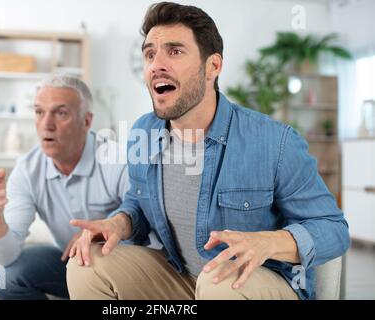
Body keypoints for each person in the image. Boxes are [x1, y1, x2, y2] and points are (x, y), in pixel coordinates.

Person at [65, 2, 350, 300]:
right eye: (150, 54)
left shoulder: (274, 142)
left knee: (218, 283)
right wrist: (118, 223)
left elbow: (333, 229)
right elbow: (138, 202)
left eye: (174, 51)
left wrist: (269, 242)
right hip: (183, 278)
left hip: (254, 283)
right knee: (85, 263)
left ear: (213, 66)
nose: (156, 64)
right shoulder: (143, 132)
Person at [0, 74, 129, 300]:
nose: (47, 124)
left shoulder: (118, 160)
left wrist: (97, 235)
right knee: (3, 275)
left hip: (121, 268)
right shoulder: (27, 169)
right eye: (39, 112)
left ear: (86, 122)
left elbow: (148, 229)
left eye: (61, 113)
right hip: (71, 263)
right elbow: (4, 257)